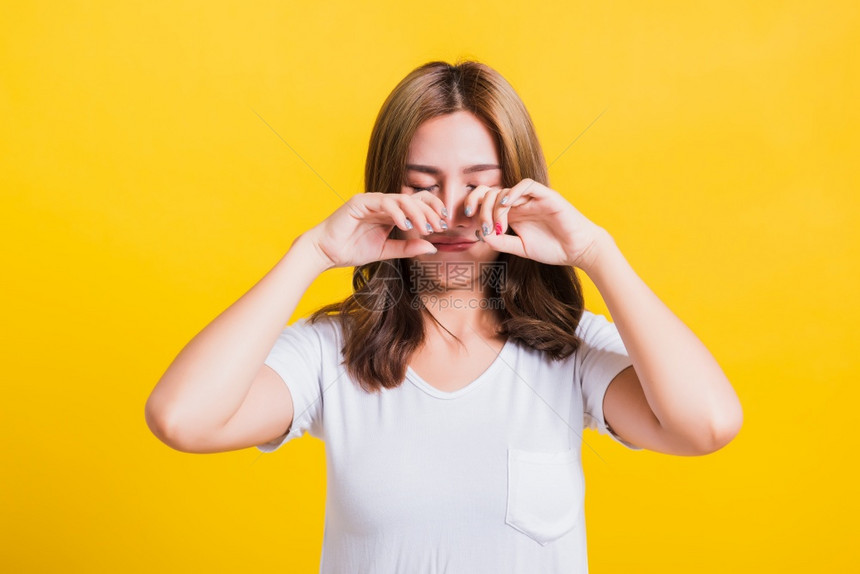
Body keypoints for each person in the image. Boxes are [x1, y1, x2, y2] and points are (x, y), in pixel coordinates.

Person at [145, 59, 743, 573]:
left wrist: (596, 253)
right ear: (389, 194)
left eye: (480, 185)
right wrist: (313, 253)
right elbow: (182, 419)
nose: (455, 214)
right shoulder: (333, 354)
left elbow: (707, 425)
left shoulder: (570, 351)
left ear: (519, 190)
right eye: (424, 186)